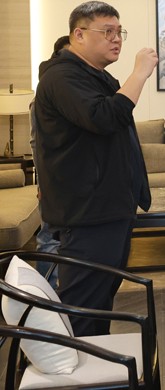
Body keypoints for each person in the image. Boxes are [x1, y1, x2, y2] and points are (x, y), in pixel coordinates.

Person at [34, 1, 157, 336]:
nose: (116, 39)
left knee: (101, 301)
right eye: (107, 32)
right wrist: (139, 74)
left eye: (119, 32)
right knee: (84, 309)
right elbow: (105, 117)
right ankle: (79, 365)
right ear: (79, 34)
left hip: (109, 210)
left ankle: (98, 361)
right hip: (88, 214)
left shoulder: (96, 76)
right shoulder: (62, 76)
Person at [29, 35, 70, 287]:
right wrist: (43, 183)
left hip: (72, 182)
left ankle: (62, 288)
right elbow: (37, 145)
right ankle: (45, 291)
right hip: (52, 180)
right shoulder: (43, 98)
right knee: (48, 237)